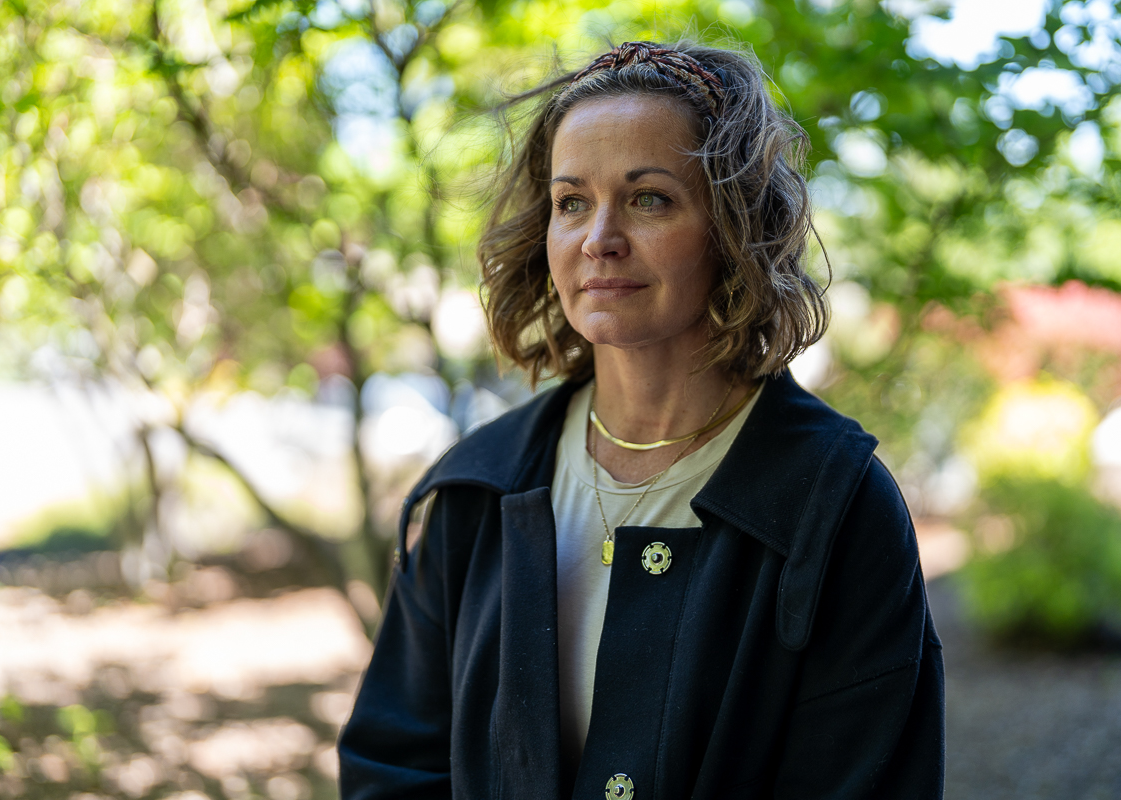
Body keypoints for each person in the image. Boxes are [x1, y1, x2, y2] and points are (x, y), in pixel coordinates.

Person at [338, 40, 944, 799]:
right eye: (571, 202)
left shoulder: (835, 504)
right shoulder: (475, 490)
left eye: (649, 198)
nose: (599, 239)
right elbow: (392, 768)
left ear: (733, 227)